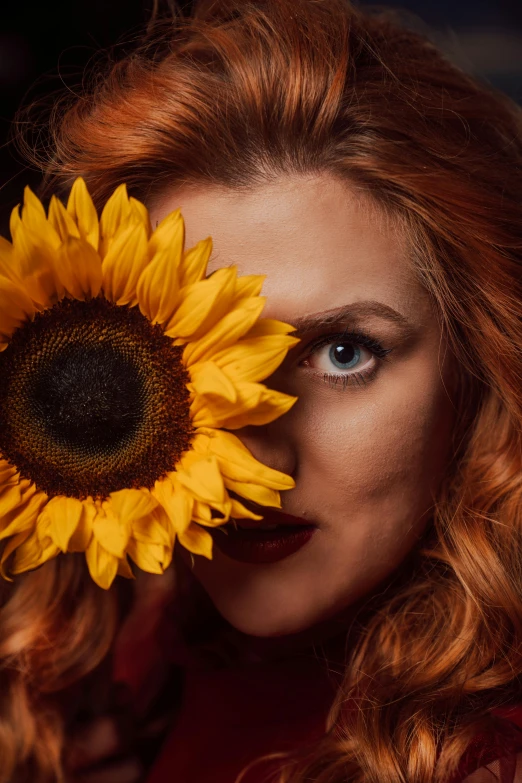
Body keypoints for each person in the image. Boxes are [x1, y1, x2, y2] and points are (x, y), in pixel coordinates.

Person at [2, 0, 522, 781]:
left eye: (344, 352)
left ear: (478, 367)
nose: (246, 455)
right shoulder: (130, 670)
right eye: (184, 353)